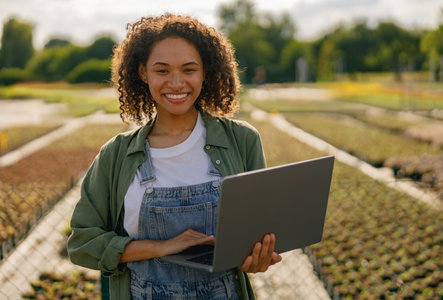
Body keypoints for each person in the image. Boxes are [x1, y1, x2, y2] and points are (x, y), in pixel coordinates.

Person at [67, 13, 282, 300]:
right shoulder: (116, 154)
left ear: (206, 71)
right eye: (162, 70)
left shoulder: (242, 141)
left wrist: (256, 258)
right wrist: (160, 247)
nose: (177, 82)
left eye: (189, 69)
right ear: (143, 73)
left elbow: (257, 233)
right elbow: (83, 242)